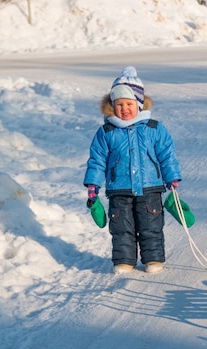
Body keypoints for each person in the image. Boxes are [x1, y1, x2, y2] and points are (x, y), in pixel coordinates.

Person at [83, 66, 182, 274]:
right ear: (112, 106)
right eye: (119, 104)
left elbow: (167, 155)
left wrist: (171, 177)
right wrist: (93, 184)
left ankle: (153, 259)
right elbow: (97, 160)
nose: (124, 109)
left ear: (138, 104)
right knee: (122, 228)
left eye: (129, 104)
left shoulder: (154, 128)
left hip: (150, 187)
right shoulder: (106, 131)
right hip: (119, 188)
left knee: (151, 225)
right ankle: (124, 261)